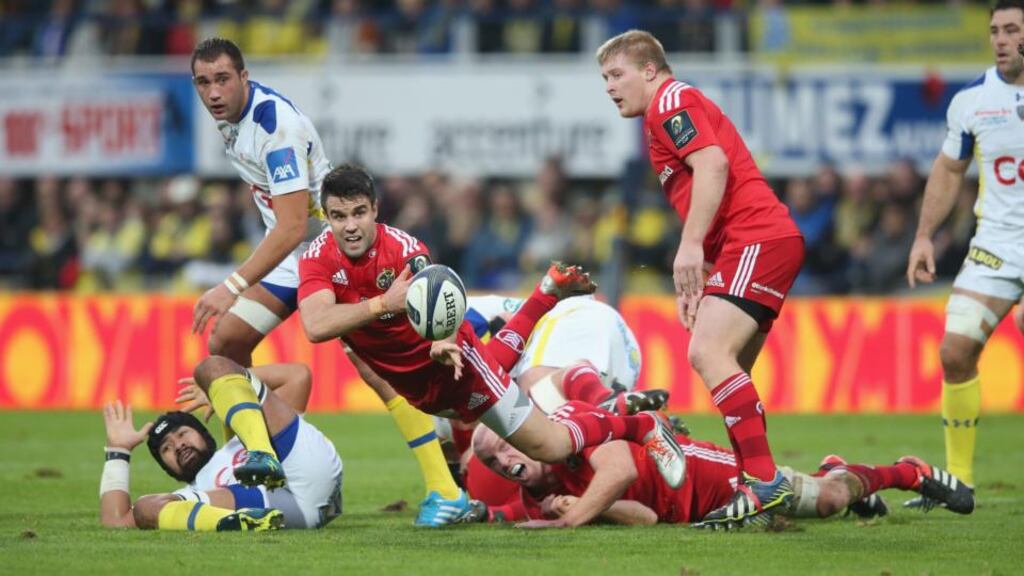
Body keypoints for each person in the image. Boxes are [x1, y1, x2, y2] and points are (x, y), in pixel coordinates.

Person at [297, 164, 688, 507]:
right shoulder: (317, 258)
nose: (350, 226)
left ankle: (643, 427)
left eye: (359, 213)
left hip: (452, 362)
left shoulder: (405, 250)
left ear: (375, 210)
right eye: (339, 216)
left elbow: (438, 301)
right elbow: (315, 325)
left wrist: (444, 340)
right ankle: (544, 296)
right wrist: (383, 303)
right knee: (474, 396)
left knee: (549, 445)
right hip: (424, 390)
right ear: (327, 217)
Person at [189, 38, 463, 525]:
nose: (213, 92)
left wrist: (229, 286)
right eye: (203, 82)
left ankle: (445, 487)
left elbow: (294, 226)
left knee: (378, 370)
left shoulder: (275, 130)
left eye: (223, 79)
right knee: (226, 343)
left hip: (335, 252)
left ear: (244, 77)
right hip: (294, 255)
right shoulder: (233, 120)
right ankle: (254, 458)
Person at [597, 30, 804, 528]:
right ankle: (754, 488)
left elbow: (713, 163)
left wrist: (689, 247)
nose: (609, 87)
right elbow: (707, 188)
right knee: (729, 367)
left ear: (649, 70)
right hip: (745, 244)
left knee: (707, 353)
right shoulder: (662, 116)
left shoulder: (670, 100)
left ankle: (763, 483)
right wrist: (705, 269)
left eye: (617, 74)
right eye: (604, 78)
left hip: (756, 237)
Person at [905, 0, 1024, 508]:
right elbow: (949, 170)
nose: (1000, 40)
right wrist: (924, 236)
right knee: (954, 353)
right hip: (995, 245)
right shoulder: (973, 101)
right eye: (995, 30)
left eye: (1012, 30)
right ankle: (960, 482)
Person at [470, 424, 975, 529]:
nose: (505, 461)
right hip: (688, 514)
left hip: (700, 475)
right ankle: (831, 469)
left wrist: (573, 516)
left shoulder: (567, 431)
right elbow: (644, 518)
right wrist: (577, 510)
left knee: (824, 502)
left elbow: (620, 467)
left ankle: (906, 473)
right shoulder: (536, 498)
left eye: (505, 445)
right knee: (820, 496)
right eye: (493, 462)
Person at [99, 357, 343, 532]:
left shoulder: (247, 430)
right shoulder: (192, 496)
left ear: (204, 434)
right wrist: (118, 451)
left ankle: (262, 454)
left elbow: (297, 376)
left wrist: (222, 389)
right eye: (166, 448)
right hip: (272, 510)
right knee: (145, 508)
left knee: (212, 367)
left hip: (300, 467)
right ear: (167, 469)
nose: (178, 445)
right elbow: (115, 521)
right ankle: (231, 523)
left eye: (183, 434)